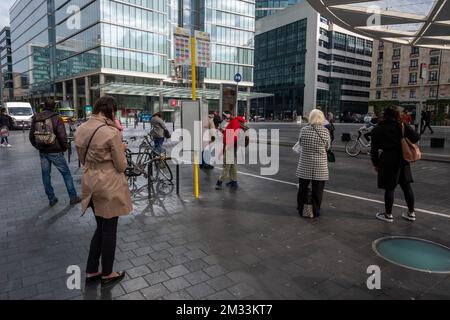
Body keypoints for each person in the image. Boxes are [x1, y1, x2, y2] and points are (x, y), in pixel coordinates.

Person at [75, 96, 133, 288]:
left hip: (90, 182)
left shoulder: (81, 128)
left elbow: (83, 158)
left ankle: (92, 270)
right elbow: (121, 165)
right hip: (108, 185)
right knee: (109, 230)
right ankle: (107, 273)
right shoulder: (111, 132)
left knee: (100, 228)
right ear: (111, 111)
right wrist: (121, 148)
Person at [371, 107, 420, 223]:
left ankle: (388, 215)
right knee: (406, 186)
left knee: (389, 188)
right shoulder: (401, 125)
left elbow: (374, 150)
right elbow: (416, 137)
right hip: (403, 158)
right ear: (397, 115)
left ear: (384, 115)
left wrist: (376, 163)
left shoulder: (378, 129)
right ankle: (411, 213)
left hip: (387, 159)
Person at [29, 99, 81, 207]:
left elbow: (31, 136)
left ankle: (51, 199)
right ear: (54, 107)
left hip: (43, 151)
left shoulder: (36, 117)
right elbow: (62, 136)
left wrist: (38, 146)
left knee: (46, 176)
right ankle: (73, 197)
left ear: (44, 106)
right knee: (66, 174)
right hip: (55, 151)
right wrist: (64, 147)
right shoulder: (57, 118)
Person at [296, 109, 331, 218]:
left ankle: (301, 207)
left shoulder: (304, 130)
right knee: (318, 190)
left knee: (302, 188)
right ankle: (316, 210)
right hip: (320, 166)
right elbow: (328, 147)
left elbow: (300, 143)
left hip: (305, 163)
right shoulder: (325, 131)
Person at [215, 112, 248, 190]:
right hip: (232, 145)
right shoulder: (233, 121)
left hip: (231, 146)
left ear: (229, 115)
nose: (224, 119)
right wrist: (222, 131)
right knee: (233, 164)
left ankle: (219, 182)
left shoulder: (235, 121)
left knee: (227, 165)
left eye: (225, 116)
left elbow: (234, 135)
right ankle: (233, 182)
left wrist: (229, 145)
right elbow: (229, 133)